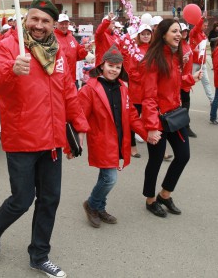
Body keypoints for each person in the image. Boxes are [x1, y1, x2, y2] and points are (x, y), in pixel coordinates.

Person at [0, 0, 89, 278]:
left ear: (54, 24)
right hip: (22, 138)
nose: (38, 25)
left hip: (53, 139)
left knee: (50, 199)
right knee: (22, 199)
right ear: (25, 20)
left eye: (45, 21)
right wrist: (11, 70)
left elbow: (68, 93)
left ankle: (39, 255)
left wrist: (79, 126)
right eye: (34, 19)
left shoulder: (59, 52)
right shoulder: (8, 47)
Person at [79, 45, 147, 228]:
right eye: (110, 65)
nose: (114, 70)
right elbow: (79, 116)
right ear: (102, 65)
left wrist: (146, 134)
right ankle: (92, 204)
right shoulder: (90, 89)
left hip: (118, 140)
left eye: (118, 67)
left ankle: (100, 207)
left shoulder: (123, 88)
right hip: (101, 140)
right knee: (110, 178)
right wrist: (72, 142)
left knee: (105, 176)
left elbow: (132, 115)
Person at [141, 19, 201, 218]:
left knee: (183, 156)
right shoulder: (153, 60)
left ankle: (165, 194)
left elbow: (173, 84)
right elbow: (149, 96)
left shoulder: (175, 57)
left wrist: (192, 77)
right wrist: (151, 126)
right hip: (158, 120)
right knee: (156, 160)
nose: (179, 34)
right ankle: (150, 200)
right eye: (174, 31)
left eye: (180, 31)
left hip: (175, 116)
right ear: (164, 34)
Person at [127, 23, 152, 158]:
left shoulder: (155, 50)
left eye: (148, 34)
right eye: (143, 34)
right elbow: (131, 72)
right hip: (137, 92)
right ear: (139, 35)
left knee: (153, 120)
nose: (146, 36)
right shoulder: (135, 51)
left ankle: (159, 147)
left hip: (151, 93)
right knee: (134, 120)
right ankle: (132, 146)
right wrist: (145, 79)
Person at [54, 13, 88, 89]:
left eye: (66, 24)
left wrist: (85, 49)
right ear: (56, 24)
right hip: (59, 80)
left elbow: (78, 55)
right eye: (61, 24)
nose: (64, 26)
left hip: (72, 79)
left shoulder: (71, 37)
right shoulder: (52, 38)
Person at [189, 16, 215, 105]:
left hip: (202, 63)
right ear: (200, 25)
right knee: (189, 82)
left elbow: (203, 48)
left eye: (207, 25)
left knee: (206, 82)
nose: (206, 27)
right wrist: (202, 18)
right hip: (194, 63)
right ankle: (183, 99)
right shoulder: (194, 32)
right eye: (205, 25)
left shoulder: (203, 34)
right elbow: (196, 27)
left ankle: (212, 100)